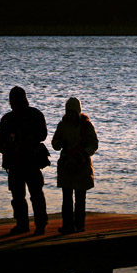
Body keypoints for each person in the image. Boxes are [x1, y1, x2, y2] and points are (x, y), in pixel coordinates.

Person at [0, 86, 49, 235]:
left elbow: (0, 145)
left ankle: (27, 224)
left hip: (25, 161)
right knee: (29, 195)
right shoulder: (34, 114)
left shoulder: (9, 119)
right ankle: (35, 224)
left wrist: (19, 142)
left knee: (24, 195)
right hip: (22, 162)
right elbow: (43, 135)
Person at [51, 97, 99, 234]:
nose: (71, 114)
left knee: (80, 199)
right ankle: (67, 225)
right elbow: (55, 142)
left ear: (78, 112)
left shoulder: (87, 126)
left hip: (81, 166)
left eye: (73, 112)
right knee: (66, 199)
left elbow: (94, 144)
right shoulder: (62, 125)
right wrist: (58, 144)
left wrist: (83, 155)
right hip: (66, 165)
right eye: (69, 112)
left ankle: (79, 225)